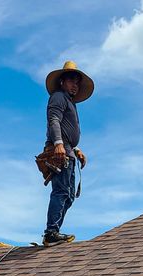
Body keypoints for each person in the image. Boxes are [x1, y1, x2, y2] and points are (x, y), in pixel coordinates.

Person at [42, 60, 94, 245]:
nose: (75, 85)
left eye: (77, 82)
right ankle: (51, 232)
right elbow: (53, 120)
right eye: (71, 81)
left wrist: (77, 149)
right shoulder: (58, 97)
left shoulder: (70, 103)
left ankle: (54, 232)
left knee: (69, 195)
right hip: (60, 152)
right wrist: (58, 144)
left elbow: (66, 129)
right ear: (62, 82)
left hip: (68, 151)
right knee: (62, 192)